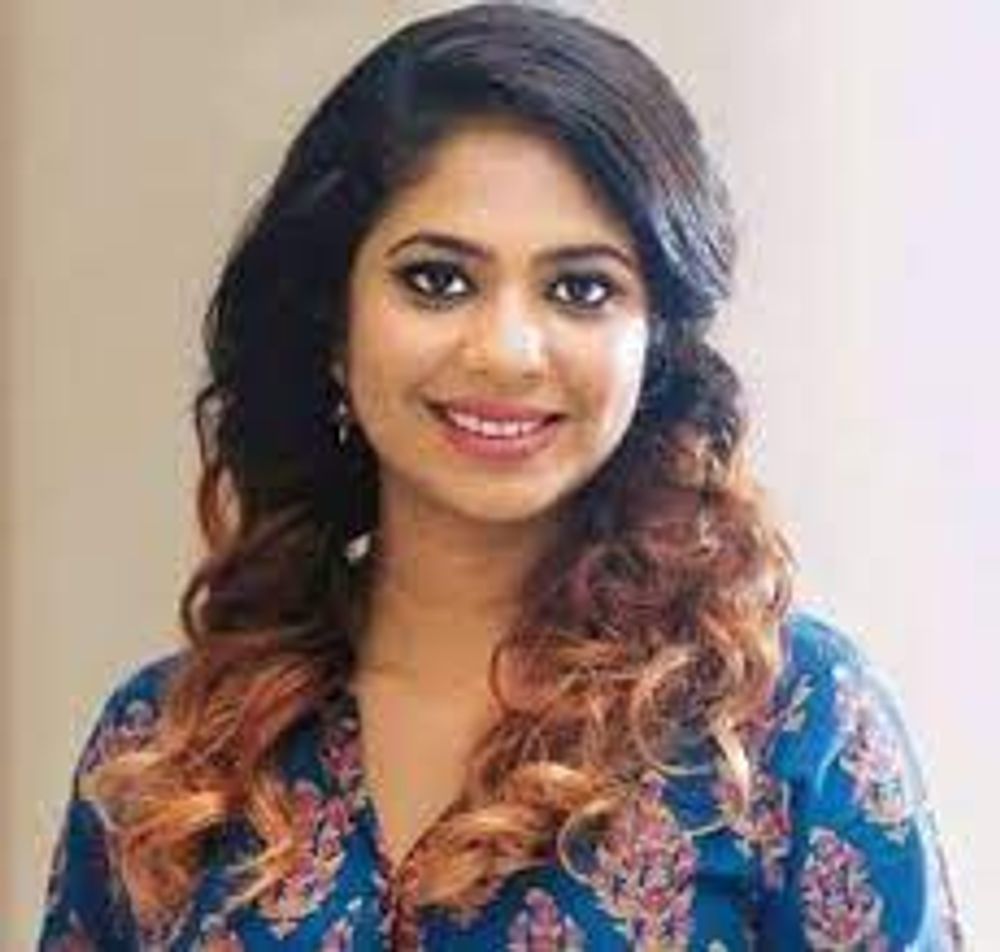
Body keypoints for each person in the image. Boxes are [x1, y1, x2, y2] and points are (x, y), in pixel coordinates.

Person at [39, 3, 962, 949]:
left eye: (581, 289)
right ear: (332, 319)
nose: (509, 351)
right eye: (438, 279)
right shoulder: (168, 751)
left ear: (657, 345)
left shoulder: (783, 727)